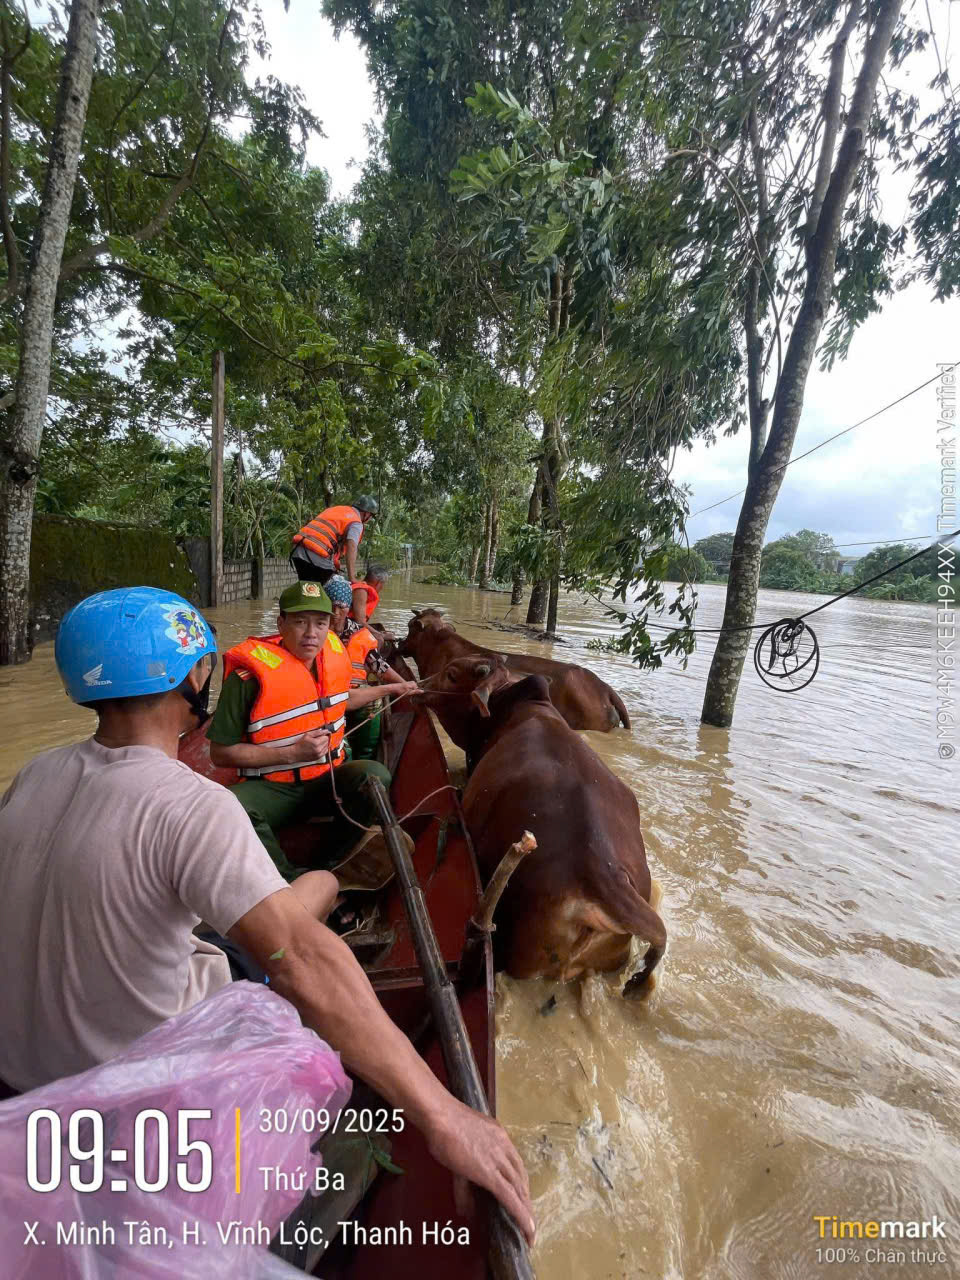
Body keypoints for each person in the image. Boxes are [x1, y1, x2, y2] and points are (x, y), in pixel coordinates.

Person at [0, 587, 534, 1244]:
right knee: (304, 921)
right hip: (133, 1101)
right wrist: (444, 1115)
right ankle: (327, 889)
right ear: (194, 678)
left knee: (295, 898)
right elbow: (304, 965)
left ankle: (318, 889)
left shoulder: (32, 776)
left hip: (25, 1091)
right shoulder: (191, 807)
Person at [206, 580, 418, 882]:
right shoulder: (246, 678)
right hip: (274, 787)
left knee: (375, 776)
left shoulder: (332, 655)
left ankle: (331, 862)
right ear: (281, 623)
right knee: (228, 807)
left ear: (331, 624)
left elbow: (344, 700)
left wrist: (394, 687)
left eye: (320, 623)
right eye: (299, 622)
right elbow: (220, 754)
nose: (311, 633)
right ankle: (290, 880)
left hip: (327, 778)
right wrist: (292, 753)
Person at [325, 575, 404, 760]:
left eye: (341, 606)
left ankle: (365, 757)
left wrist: (405, 685)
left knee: (373, 702)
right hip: (326, 698)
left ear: (348, 608)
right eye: (331, 606)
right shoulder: (316, 631)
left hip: (355, 696)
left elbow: (379, 666)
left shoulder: (359, 634)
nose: (336, 612)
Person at [290, 495, 378, 585]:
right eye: (371, 516)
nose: (369, 519)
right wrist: (352, 578)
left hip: (298, 548)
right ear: (367, 514)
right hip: (317, 553)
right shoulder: (356, 523)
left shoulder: (337, 509)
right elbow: (351, 547)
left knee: (307, 587)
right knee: (322, 589)